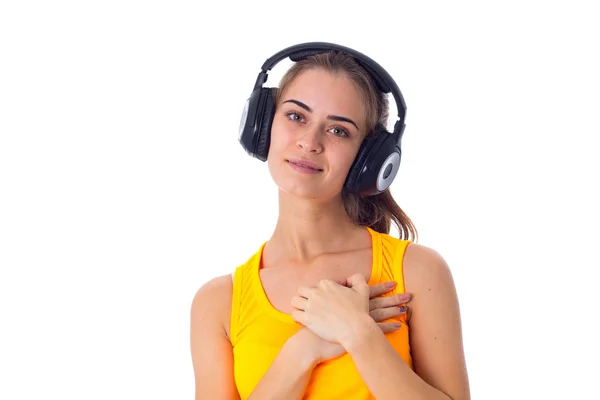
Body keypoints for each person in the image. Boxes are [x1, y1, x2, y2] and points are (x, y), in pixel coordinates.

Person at [190, 42, 470, 400]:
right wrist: (303, 350)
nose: (310, 142)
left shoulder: (417, 271)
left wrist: (358, 332)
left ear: (367, 161)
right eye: (296, 116)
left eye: (339, 131)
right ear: (262, 126)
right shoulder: (218, 302)